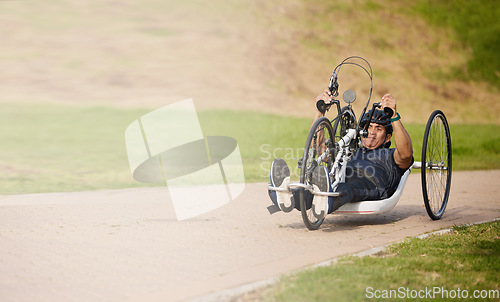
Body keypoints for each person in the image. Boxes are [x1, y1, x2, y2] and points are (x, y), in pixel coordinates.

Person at [268, 89, 413, 218]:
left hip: (371, 184)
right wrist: (320, 111)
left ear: (387, 137)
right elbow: (317, 146)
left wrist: (393, 116)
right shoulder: (349, 149)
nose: (372, 133)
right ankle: (286, 197)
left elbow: (406, 154)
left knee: (345, 188)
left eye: (378, 129)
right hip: (341, 180)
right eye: (368, 127)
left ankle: (325, 201)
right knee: (316, 189)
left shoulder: (391, 155)